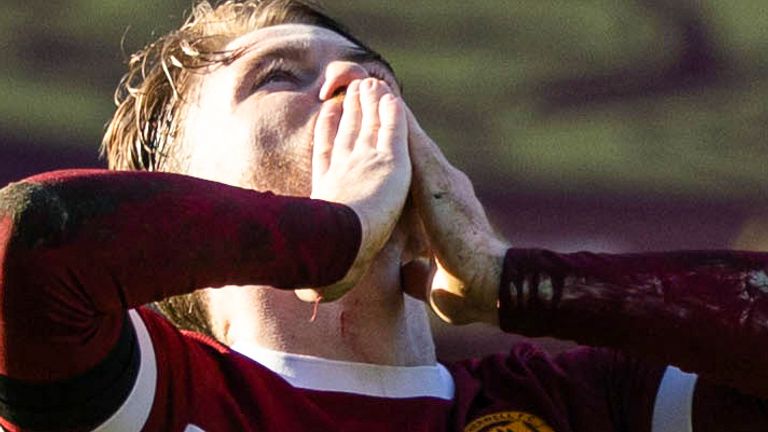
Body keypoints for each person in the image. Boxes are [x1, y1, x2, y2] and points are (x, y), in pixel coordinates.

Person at [0, 1, 766, 431]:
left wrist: (515, 281)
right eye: (278, 77)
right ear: (188, 184)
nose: (353, 84)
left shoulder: (578, 407)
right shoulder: (163, 399)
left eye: (374, 75)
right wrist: (329, 235)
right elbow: (25, 246)